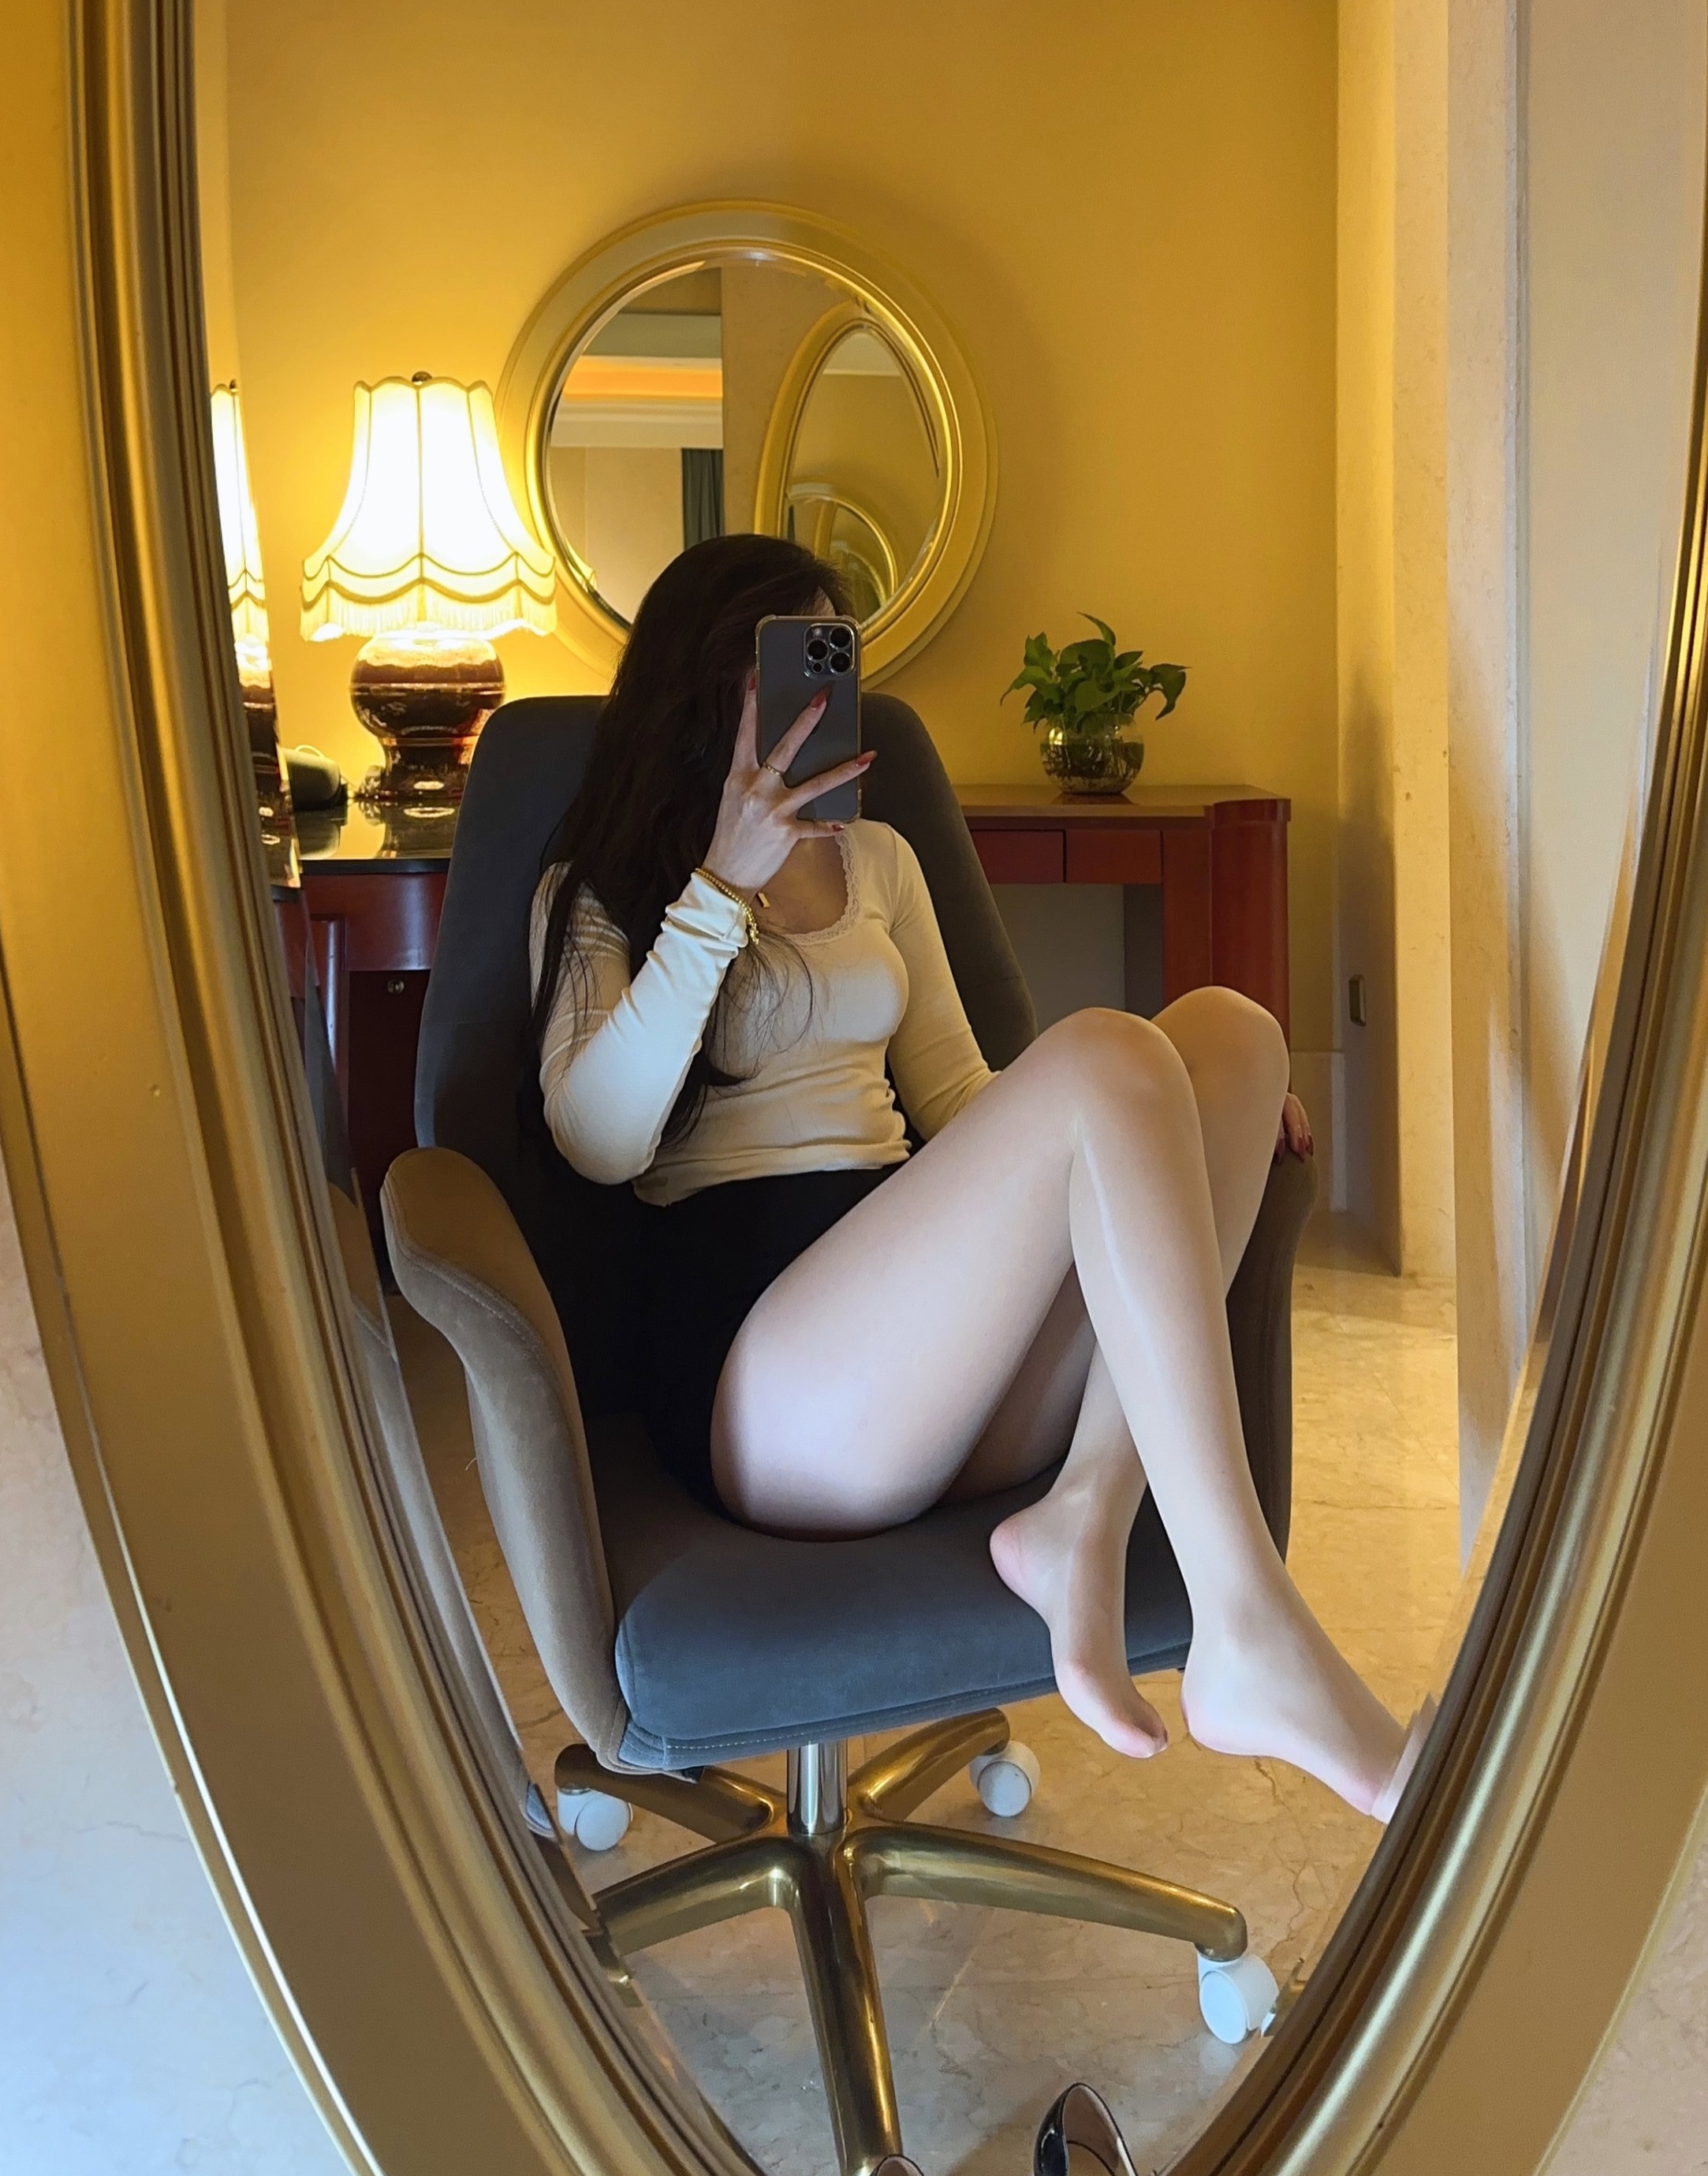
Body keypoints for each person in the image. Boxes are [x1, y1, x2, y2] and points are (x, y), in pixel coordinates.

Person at [527, 535, 1427, 1821]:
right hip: (770, 1392)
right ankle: (1248, 1625)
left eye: (827, 658)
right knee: (1113, 1052)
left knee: (1228, 1034)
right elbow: (597, 1143)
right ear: (698, 683)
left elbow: (959, 1100)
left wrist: (1183, 1114)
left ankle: (1081, 1516)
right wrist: (719, 887)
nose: (807, 696)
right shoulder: (600, 892)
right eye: (775, 664)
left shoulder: (879, 862)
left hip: (932, 1347)